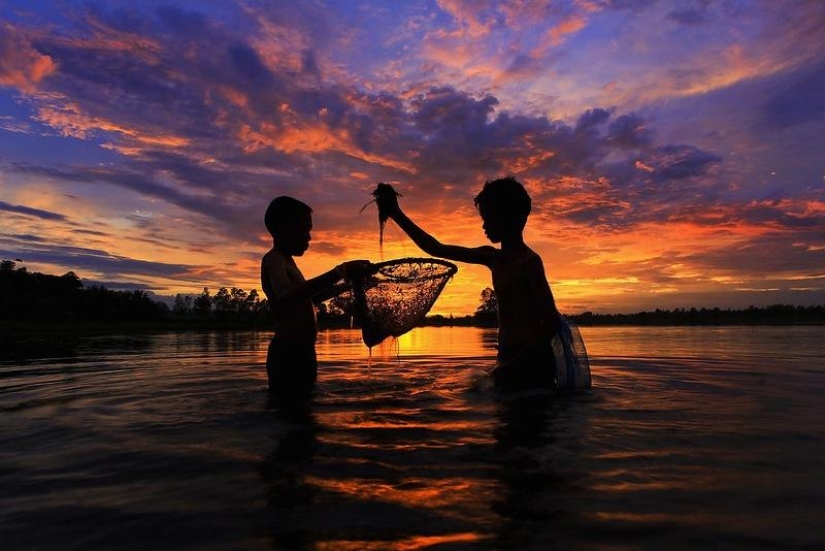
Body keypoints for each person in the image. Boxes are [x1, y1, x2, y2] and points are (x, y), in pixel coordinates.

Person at [374, 177, 564, 391]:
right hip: (508, 357)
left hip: (531, 363)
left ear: (509, 218)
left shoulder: (529, 262)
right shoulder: (492, 258)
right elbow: (436, 248)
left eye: (489, 219)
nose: (484, 225)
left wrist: (516, 363)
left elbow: (550, 321)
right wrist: (396, 214)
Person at [261, 196, 372, 400]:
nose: (309, 237)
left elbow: (307, 298)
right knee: (289, 413)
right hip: (287, 353)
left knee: (303, 412)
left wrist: (347, 283)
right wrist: (338, 271)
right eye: (304, 230)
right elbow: (287, 297)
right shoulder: (273, 259)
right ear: (281, 229)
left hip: (305, 352)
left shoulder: (289, 262)